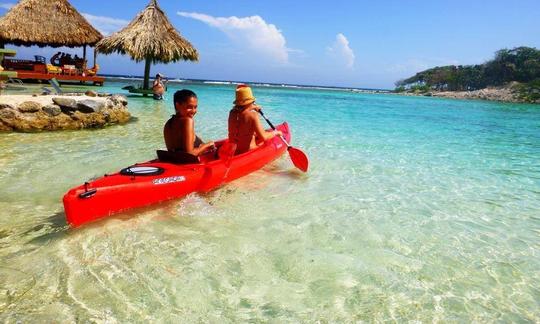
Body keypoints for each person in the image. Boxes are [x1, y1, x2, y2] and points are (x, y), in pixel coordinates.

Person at [228, 84, 282, 155]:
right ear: (251, 101)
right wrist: (276, 133)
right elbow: (264, 137)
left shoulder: (232, 113)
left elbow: (243, 112)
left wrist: (252, 107)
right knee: (265, 138)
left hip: (234, 151)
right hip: (248, 151)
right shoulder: (253, 115)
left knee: (253, 134)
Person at [163, 89, 215, 156]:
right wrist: (207, 145)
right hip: (192, 164)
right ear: (177, 105)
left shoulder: (168, 123)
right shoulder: (188, 121)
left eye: (195, 107)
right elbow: (189, 154)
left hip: (175, 161)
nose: (193, 111)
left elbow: (173, 151)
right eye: (189, 107)